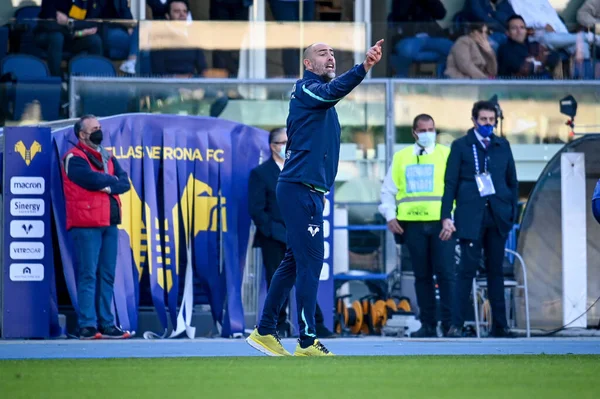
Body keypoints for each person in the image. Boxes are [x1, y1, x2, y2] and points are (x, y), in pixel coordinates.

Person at [246, 39, 384, 356]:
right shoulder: (306, 90)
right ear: (308, 64)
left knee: (294, 261)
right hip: (298, 187)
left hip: (308, 190)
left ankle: (265, 330)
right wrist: (363, 68)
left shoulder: (322, 102)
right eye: (322, 53)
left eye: (333, 52)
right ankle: (307, 340)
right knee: (310, 261)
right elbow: (332, 91)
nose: (330, 56)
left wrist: (321, 192)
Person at [439, 101, 518, 338]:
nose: (488, 124)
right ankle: (456, 325)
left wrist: (511, 213)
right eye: (483, 120)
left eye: (492, 120)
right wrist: (446, 216)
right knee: (466, 271)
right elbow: (450, 183)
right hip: (470, 217)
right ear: (474, 120)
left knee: (496, 272)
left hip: (497, 217)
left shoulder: (502, 145)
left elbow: (512, 182)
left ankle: (500, 326)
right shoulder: (461, 146)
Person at [248, 127, 335, 339]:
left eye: (290, 141)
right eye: (283, 142)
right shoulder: (260, 173)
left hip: (300, 231)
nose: (288, 145)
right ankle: (275, 325)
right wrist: (276, 232)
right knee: (279, 279)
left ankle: (314, 325)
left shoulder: (300, 170)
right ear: (273, 146)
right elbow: (258, 209)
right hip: (274, 238)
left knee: (305, 276)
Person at [378, 114, 455, 338]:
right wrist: (390, 217)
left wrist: (452, 219)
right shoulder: (402, 157)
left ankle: (451, 324)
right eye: (422, 130)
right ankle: (428, 325)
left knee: (446, 275)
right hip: (411, 226)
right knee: (422, 277)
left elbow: (456, 190)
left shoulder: (446, 154)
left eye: (431, 129)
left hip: (441, 224)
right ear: (414, 132)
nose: (427, 134)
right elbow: (388, 191)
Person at [62, 115, 132, 339]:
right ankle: (87, 325)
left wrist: (109, 186)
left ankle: (107, 324)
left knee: (107, 275)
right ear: (82, 134)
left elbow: (124, 183)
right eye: (94, 129)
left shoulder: (108, 156)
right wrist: (110, 181)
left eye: (100, 127)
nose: (99, 132)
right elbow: (90, 180)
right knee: (88, 275)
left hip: (109, 223)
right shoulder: (74, 157)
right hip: (86, 224)